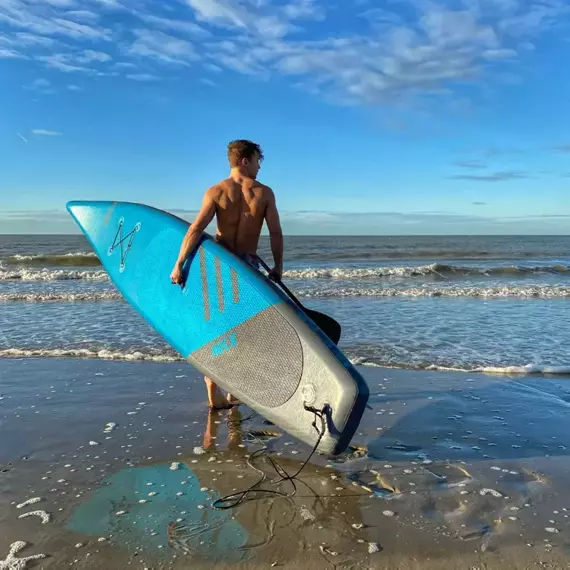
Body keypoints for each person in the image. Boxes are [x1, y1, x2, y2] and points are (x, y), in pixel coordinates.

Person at [170, 139, 284, 409]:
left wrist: (179, 263)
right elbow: (275, 232)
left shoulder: (216, 191)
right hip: (246, 268)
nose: (259, 166)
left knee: (216, 327)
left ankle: (214, 388)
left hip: (219, 265)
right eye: (257, 160)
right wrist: (279, 267)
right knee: (244, 330)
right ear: (245, 160)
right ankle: (234, 390)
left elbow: (196, 229)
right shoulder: (264, 193)